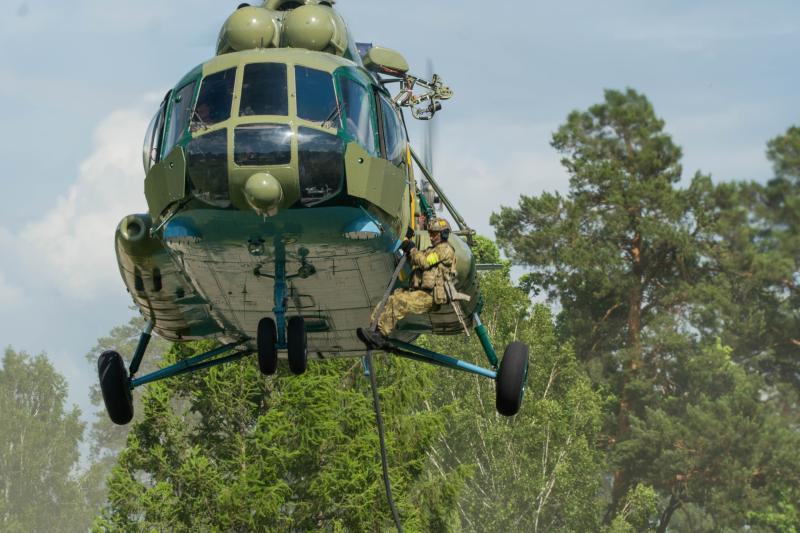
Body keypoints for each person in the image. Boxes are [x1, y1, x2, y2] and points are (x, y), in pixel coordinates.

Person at [358, 218, 456, 348]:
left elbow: (425, 262)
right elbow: (416, 260)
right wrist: (407, 242)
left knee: (400, 301)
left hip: (430, 297)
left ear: (444, 234)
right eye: (430, 233)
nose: (431, 237)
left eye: (434, 234)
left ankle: (380, 334)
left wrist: (412, 249)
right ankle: (374, 328)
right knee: (391, 298)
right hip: (419, 292)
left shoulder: (445, 250)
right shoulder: (430, 250)